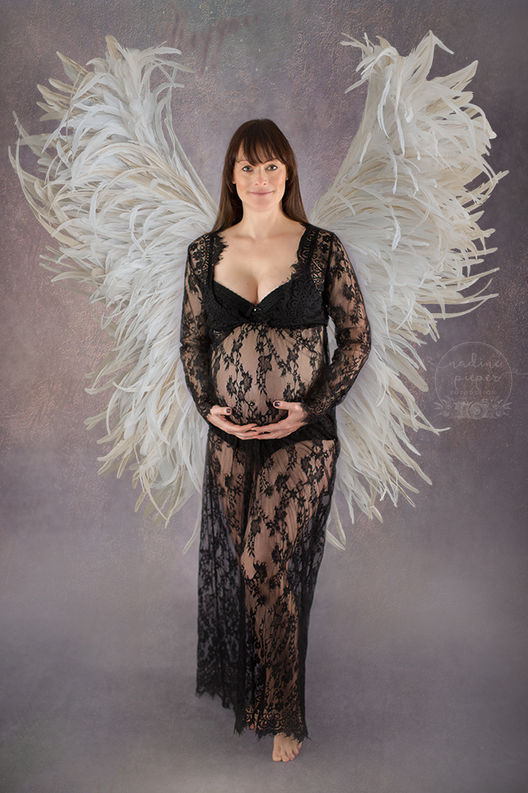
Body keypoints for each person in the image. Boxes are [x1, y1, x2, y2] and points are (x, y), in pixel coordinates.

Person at [179, 118, 371, 762]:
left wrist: (311, 407)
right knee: (251, 571)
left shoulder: (321, 249)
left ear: (287, 173)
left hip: (303, 437)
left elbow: (356, 338)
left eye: (271, 166)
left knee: (265, 561)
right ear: (231, 176)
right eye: (247, 166)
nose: (259, 178)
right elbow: (192, 342)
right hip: (232, 441)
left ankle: (286, 712)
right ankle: (265, 688)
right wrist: (207, 407)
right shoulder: (204, 254)